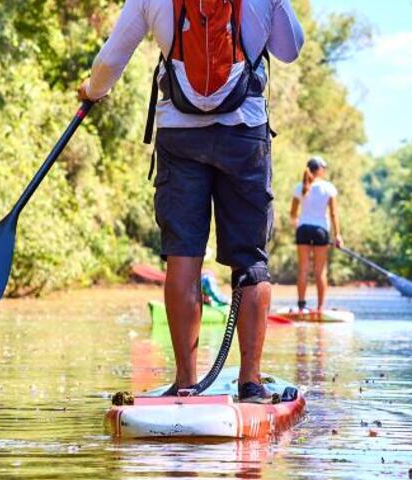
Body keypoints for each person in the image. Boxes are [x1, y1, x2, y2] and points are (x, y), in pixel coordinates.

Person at [77, 0, 304, 403]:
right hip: (244, 134)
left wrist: (93, 90)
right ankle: (250, 383)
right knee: (250, 259)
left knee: (182, 256)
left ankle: (185, 382)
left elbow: (112, 56)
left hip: (179, 136)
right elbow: (290, 49)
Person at [290, 156, 342, 313]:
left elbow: (293, 214)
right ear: (319, 169)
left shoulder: (299, 187)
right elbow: (333, 214)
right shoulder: (329, 188)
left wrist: (299, 225)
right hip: (320, 231)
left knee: (303, 269)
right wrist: (337, 235)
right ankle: (320, 308)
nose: (325, 170)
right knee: (320, 270)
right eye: (323, 168)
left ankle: (301, 307)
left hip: (303, 229)